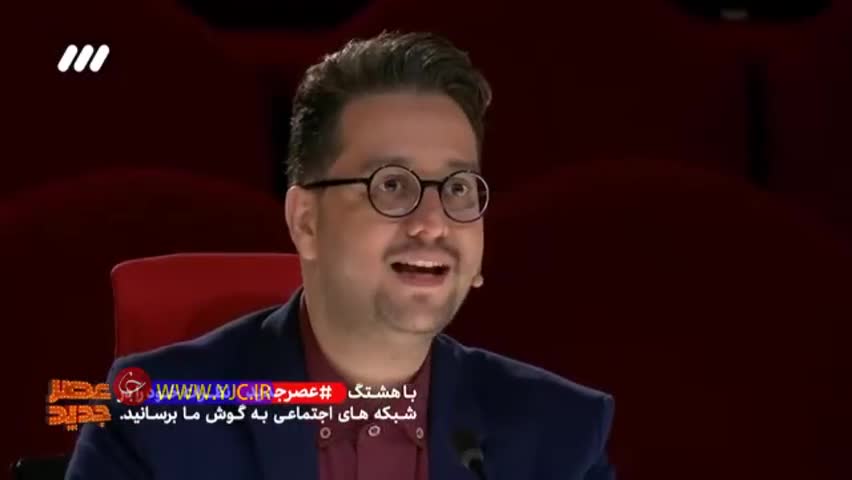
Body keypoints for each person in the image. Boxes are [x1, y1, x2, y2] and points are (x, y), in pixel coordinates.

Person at [66, 31, 615, 480]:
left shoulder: (558, 434)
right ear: (306, 221)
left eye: (457, 188)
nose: (433, 223)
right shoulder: (150, 422)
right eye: (391, 185)